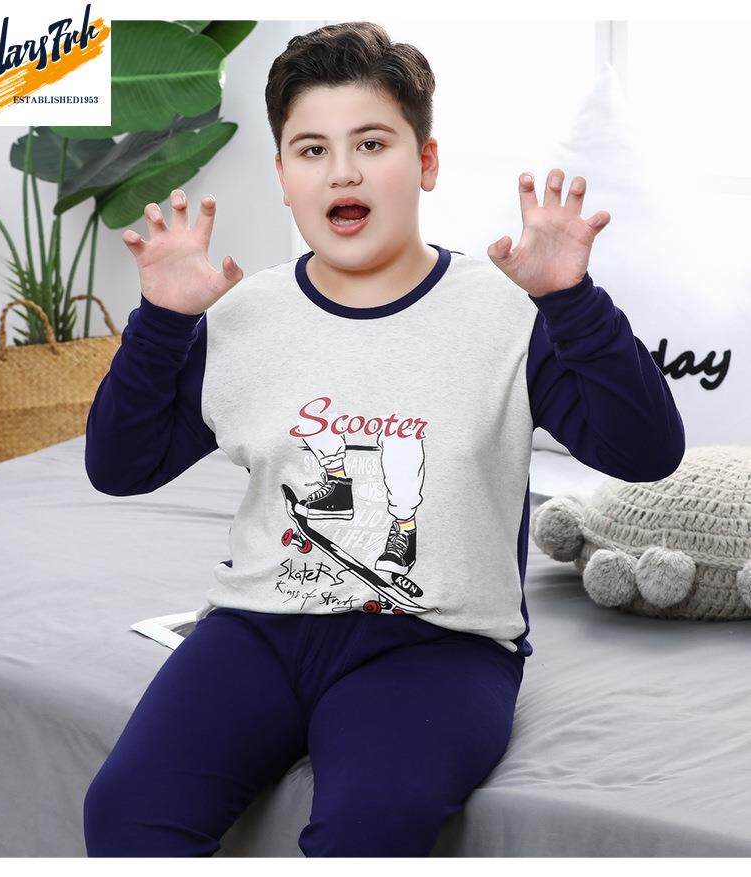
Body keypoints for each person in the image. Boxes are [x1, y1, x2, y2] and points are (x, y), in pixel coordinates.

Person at [82, 21, 686, 858]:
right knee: (123, 810)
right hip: (258, 629)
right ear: (284, 178)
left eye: (372, 143)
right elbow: (119, 467)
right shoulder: (244, 316)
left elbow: (649, 451)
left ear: (426, 162)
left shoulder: (505, 312)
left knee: (369, 825)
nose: (343, 171)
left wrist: (571, 301)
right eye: (312, 150)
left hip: (438, 646)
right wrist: (161, 323)